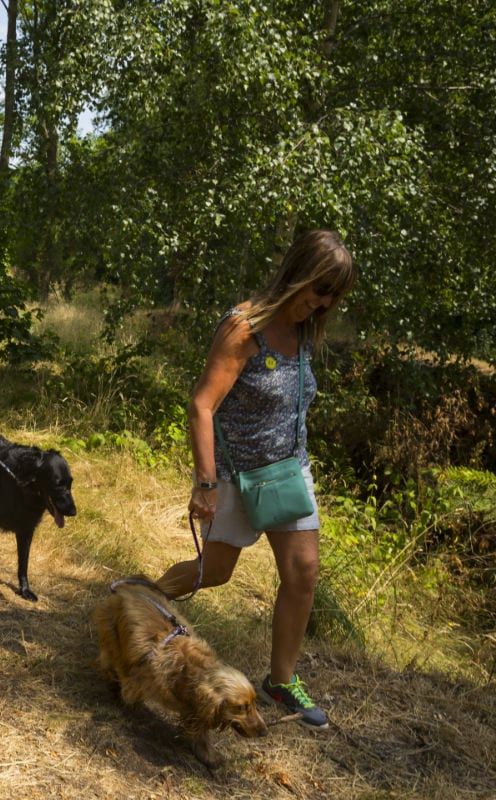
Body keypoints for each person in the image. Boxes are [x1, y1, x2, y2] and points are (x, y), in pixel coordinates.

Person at [155, 229, 356, 729]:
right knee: (214, 572)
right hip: (237, 477)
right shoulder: (244, 328)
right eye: (319, 289)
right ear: (298, 275)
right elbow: (202, 405)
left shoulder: (308, 330)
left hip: (290, 473)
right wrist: (206, 484)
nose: (323, 303)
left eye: (332, 295)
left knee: (303, 573)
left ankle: (282, 679)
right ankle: (138, 602)